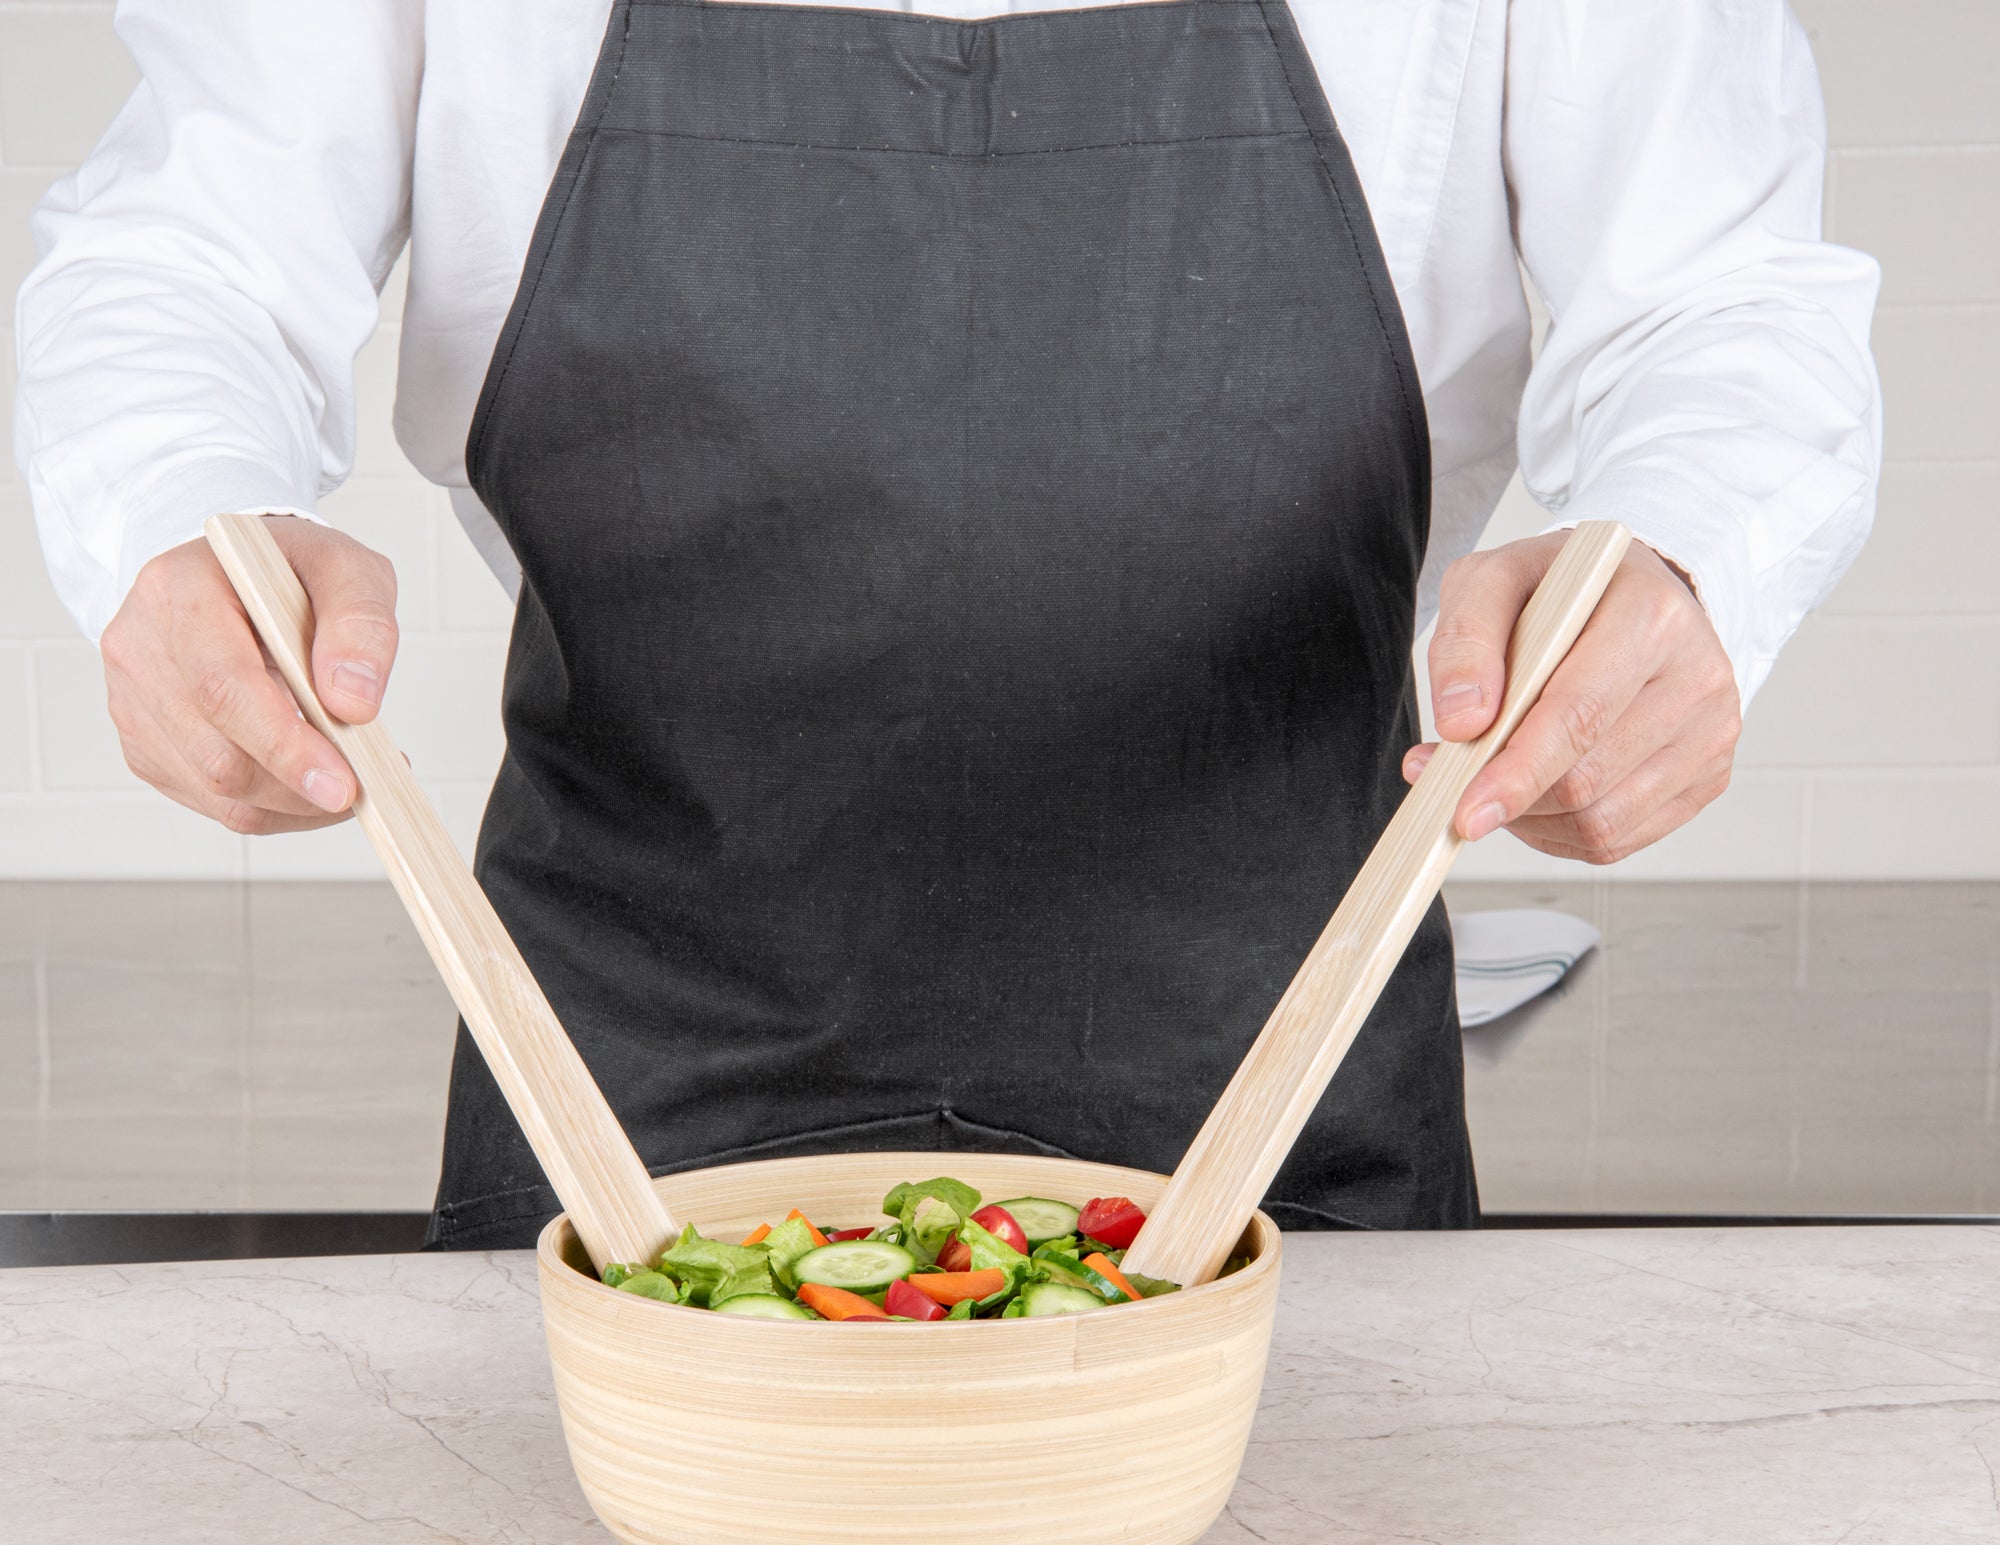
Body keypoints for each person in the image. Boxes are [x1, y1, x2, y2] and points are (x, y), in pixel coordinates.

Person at [14, 1, 1880, 1246]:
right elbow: (184, 258)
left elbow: (1717, 300)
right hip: (621, 1102)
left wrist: (1684, 556)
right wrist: (179, 518)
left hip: (1282, 1097)